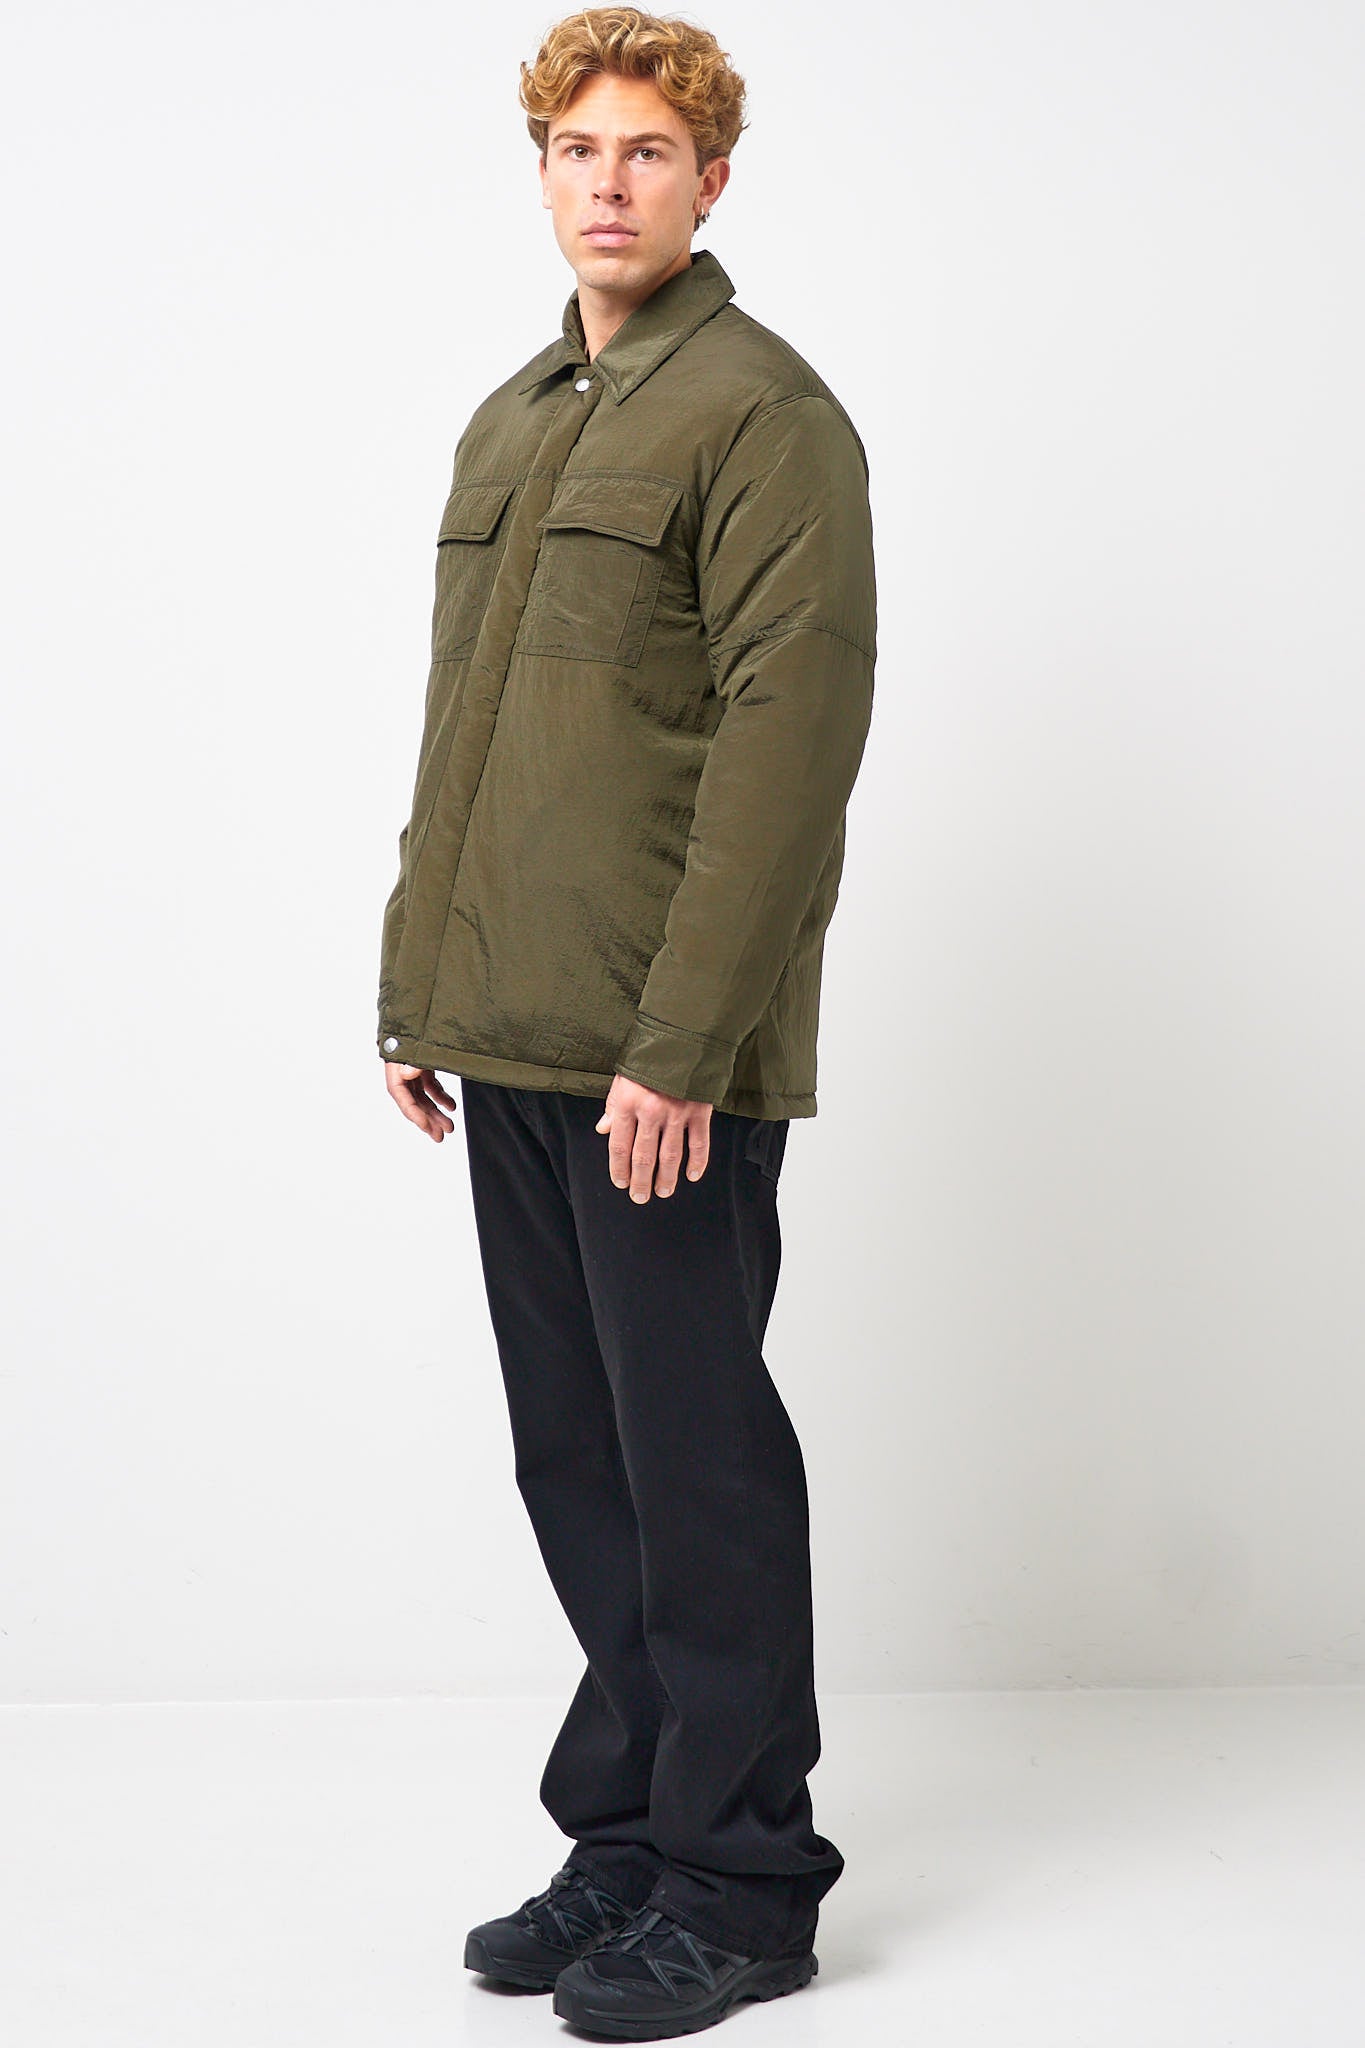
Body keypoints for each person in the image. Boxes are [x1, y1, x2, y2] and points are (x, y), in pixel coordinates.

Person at [376, 8, 876, 2036]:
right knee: (576, 1458)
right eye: (578, 147)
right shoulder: (512, 422)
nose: (608, 179)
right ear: (542, 173)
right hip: (504, 1021)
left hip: (653, 1055)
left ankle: (742, 1878)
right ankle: (632, 1833)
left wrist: (677, 1046)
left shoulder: (764, 415)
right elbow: (468, 729)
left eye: (646, 151)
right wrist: (415, 981)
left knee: (694, 1463)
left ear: (709, 180)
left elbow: (788, 745)